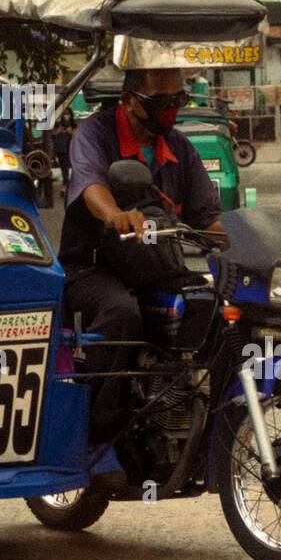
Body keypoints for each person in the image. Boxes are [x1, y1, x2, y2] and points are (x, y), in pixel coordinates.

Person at [58, 68, 225, 438]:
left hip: (155, 264)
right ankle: (98, 431)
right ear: (129, 100)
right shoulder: (94, 134)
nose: (170, 110)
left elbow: (207, 218)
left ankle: (197, 409)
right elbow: (91, 185)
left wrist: (249, 236)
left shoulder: (179, 147)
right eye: (159, 102)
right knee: (121, 313)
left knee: (214, 302)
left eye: (176, 101)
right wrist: (115, 214)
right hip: (93, 267)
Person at [52, 108, 75, 189]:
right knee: (63, 166)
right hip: (60, 149)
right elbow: (53, 134)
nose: (66, 116)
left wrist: (70, 132)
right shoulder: (58, 124)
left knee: (70, 166)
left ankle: (69, 182)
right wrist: (59, 130)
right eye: (65, 114)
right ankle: (65, 182)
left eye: (68, 114)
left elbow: (76, 135)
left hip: (70, 148)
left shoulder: (73, 124)